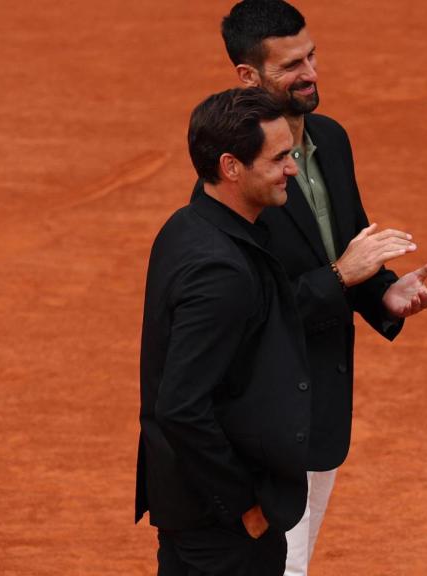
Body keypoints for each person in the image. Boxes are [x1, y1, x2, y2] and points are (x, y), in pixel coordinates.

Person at [207, 2, 427, 574]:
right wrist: (341, 277)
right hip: (264, 418)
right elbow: (248, 310)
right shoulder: (236, 172)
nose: (311, 72)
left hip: (321, 405)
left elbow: (344, 244)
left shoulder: (330, 140)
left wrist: (381, 293)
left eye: (312, 55)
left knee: (297, 561)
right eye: (291, 65)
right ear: (248, 77)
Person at [136, 87, 312, 575]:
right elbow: (181, 406)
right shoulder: (222, 271)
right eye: (278, 158)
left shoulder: (186, 224)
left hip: (193, 514)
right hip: (222, 530)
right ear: (232, 167)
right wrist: (242, 506)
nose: (292, 169)